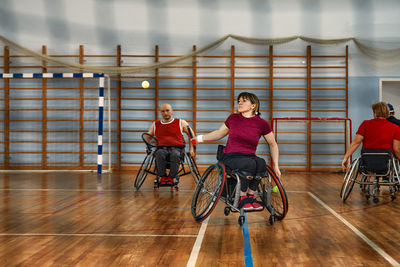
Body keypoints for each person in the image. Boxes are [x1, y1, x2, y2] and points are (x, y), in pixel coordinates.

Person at [193, 92, 280, 211]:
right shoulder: (233, 118)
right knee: (248, 164)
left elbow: (273, 144)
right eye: (239, 101)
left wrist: (276, 166)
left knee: (261, 163)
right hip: (230, 155)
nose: (239, 103)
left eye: (244, 100)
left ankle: (250, 196)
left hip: (248, 156)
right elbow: (219, 133)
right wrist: (200, 138)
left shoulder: (262, 123)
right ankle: (242, 197)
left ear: (253, 105)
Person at [342, 102, 400, 170]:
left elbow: (356, 142)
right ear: (387, 113)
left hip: (368, 161)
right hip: (386, 161)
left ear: (375, 113)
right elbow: (396, 149)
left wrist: (346, 157)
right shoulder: (395, 128)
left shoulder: (365, 124)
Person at [148, 103, 195, 185]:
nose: (165, 113)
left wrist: (192, 149)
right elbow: (148, 136)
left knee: (175, 154)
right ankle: (162, 177)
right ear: (160, 112)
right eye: (163, 111)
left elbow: (192, 136)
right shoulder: (155, 124)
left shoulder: (181, 122)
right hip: (161, 148)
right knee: (159, 153)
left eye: (167, 110)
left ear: (172, 111)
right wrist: (148, 147)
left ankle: (171, 177)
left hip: (177, 148)